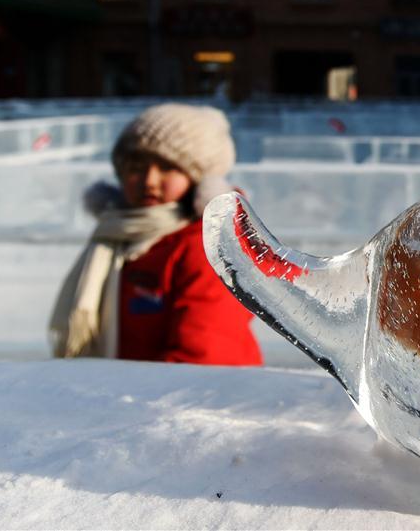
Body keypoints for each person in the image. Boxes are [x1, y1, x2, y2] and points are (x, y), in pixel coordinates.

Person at [49, 103, 263, 366]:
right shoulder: (116, 238)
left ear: (200, 181)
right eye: (136, 167)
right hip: (132, 394)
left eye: (166, 167)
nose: (149, 180)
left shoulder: (209, 249)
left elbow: (202, 358)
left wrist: (125, 398)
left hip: (193, 401)